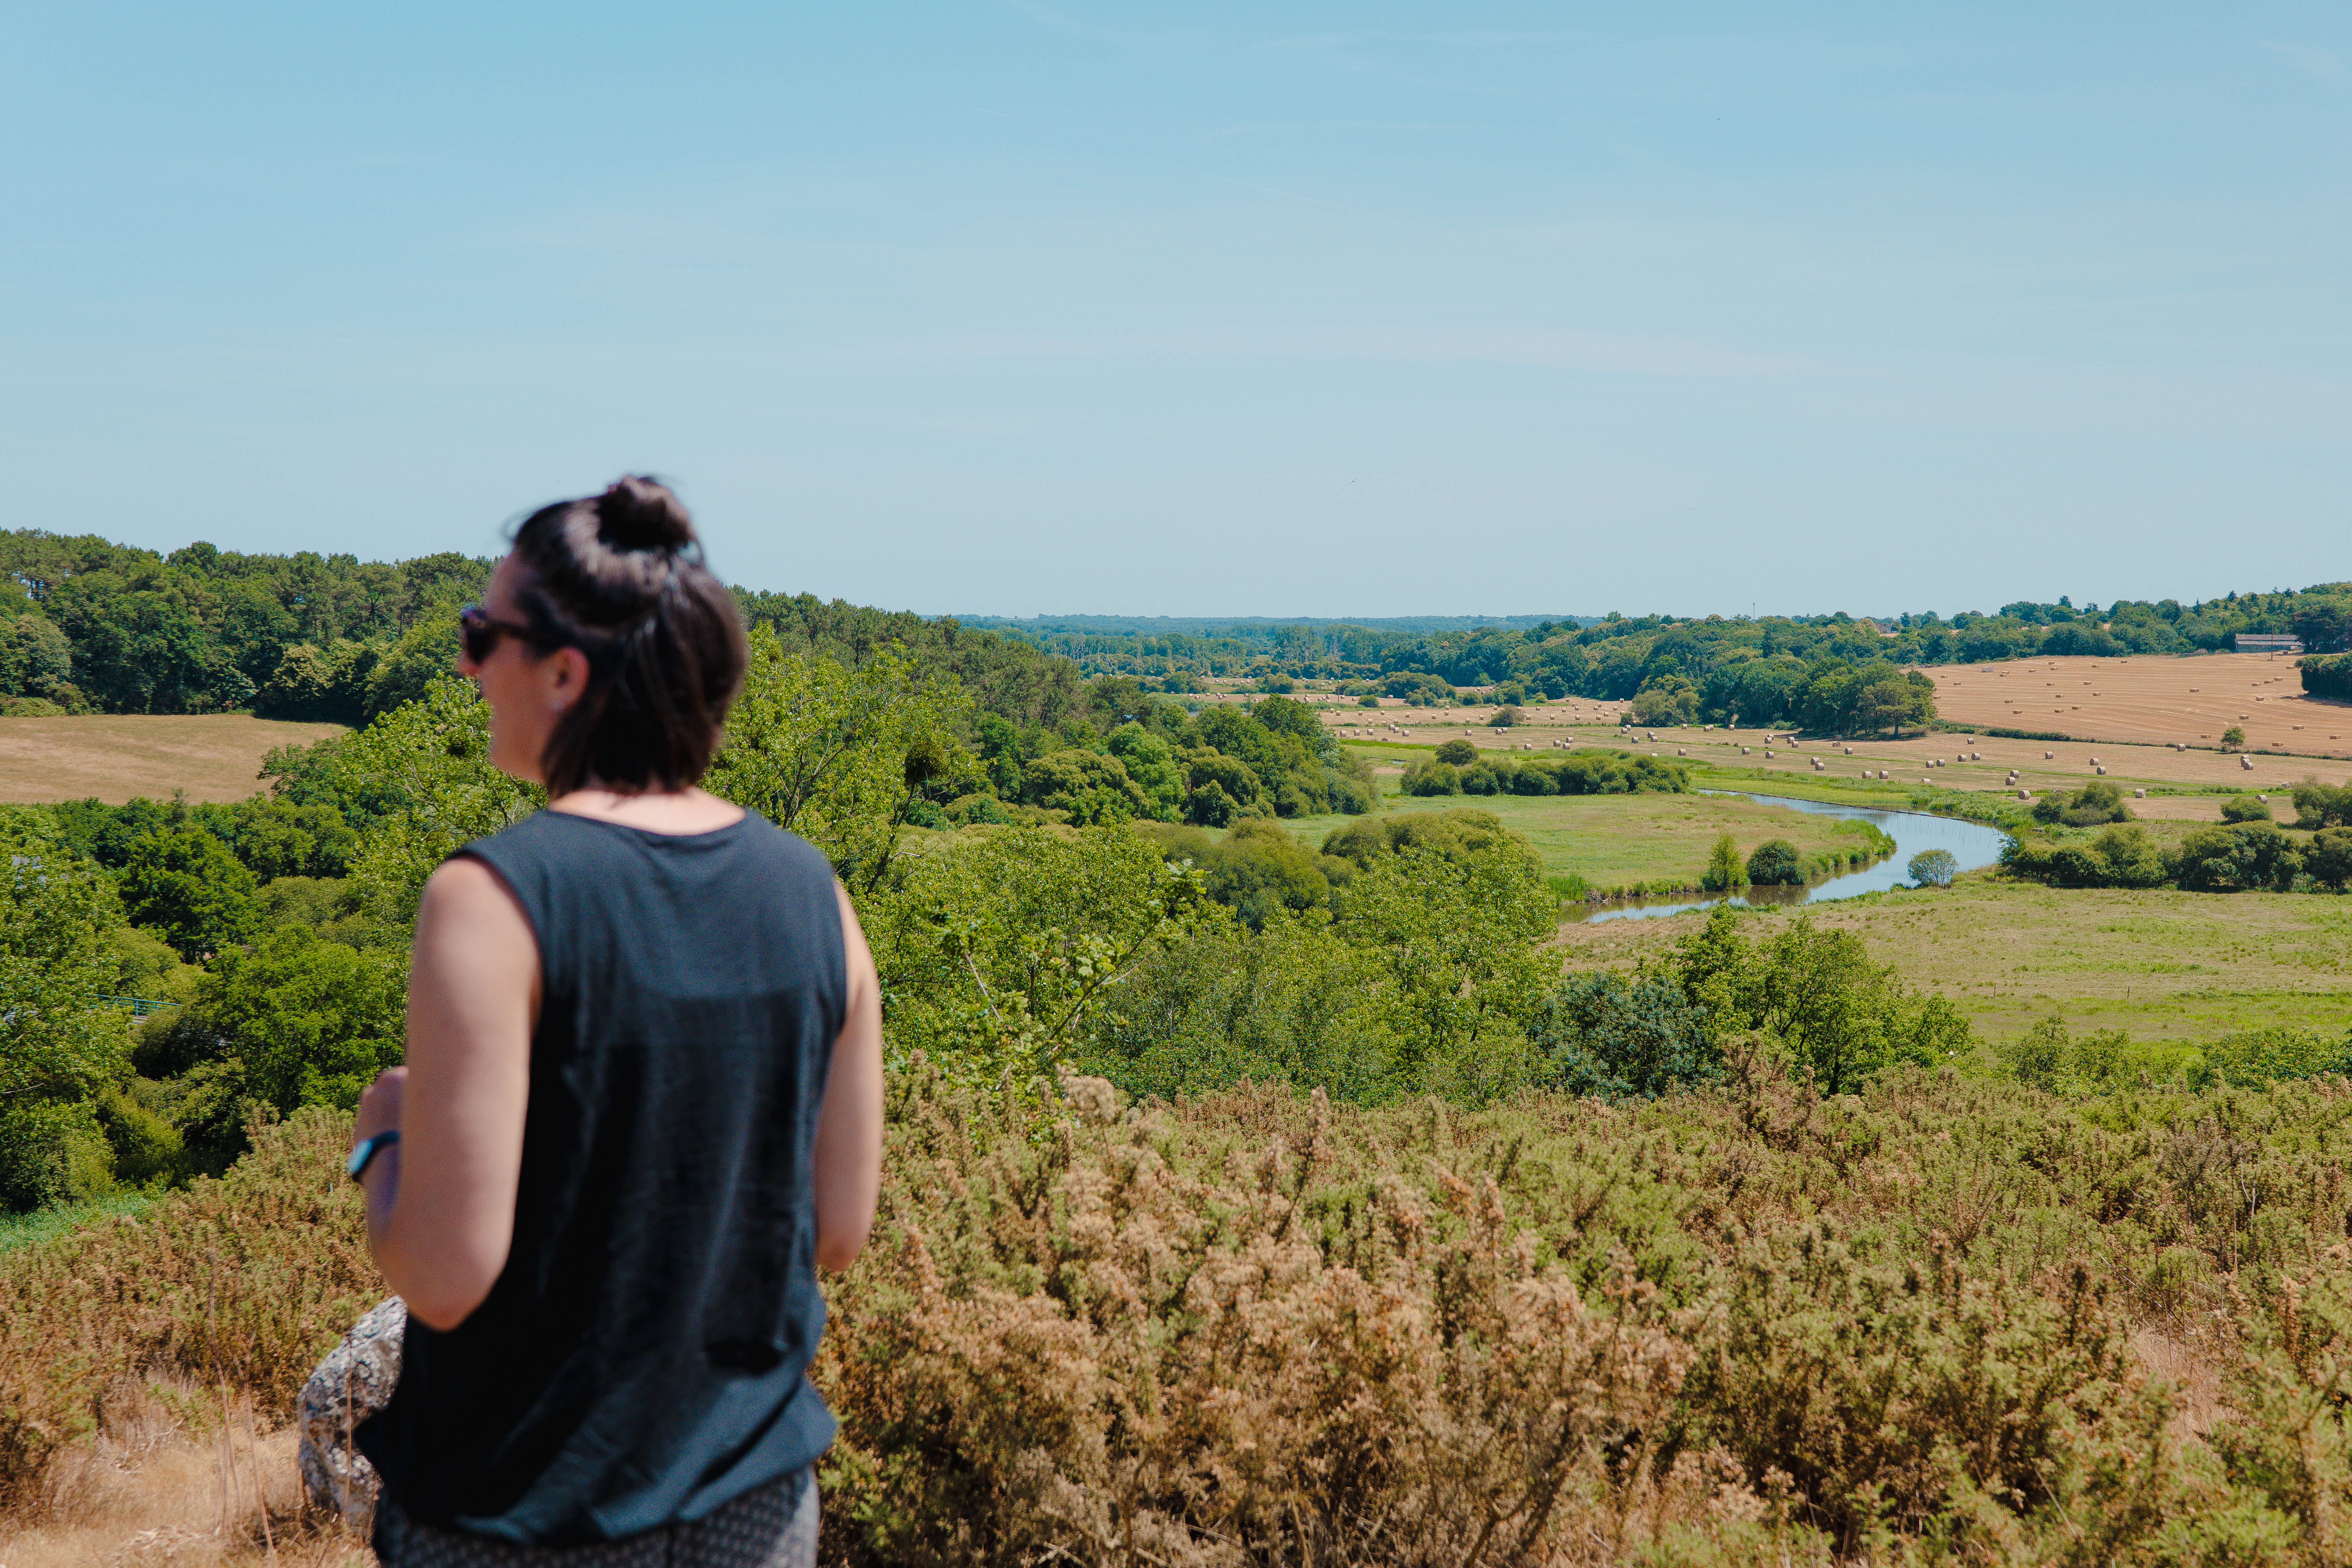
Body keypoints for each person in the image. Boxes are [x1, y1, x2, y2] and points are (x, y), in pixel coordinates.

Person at [349, 477, 883, 1567]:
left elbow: (445, 1274)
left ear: (563, 671)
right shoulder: (814, 890)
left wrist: (384, 1143)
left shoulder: (494, 897)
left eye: (480, 632)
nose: (466, 663)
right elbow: (836, 1228)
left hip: (522, 1511)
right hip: (756, 1505)